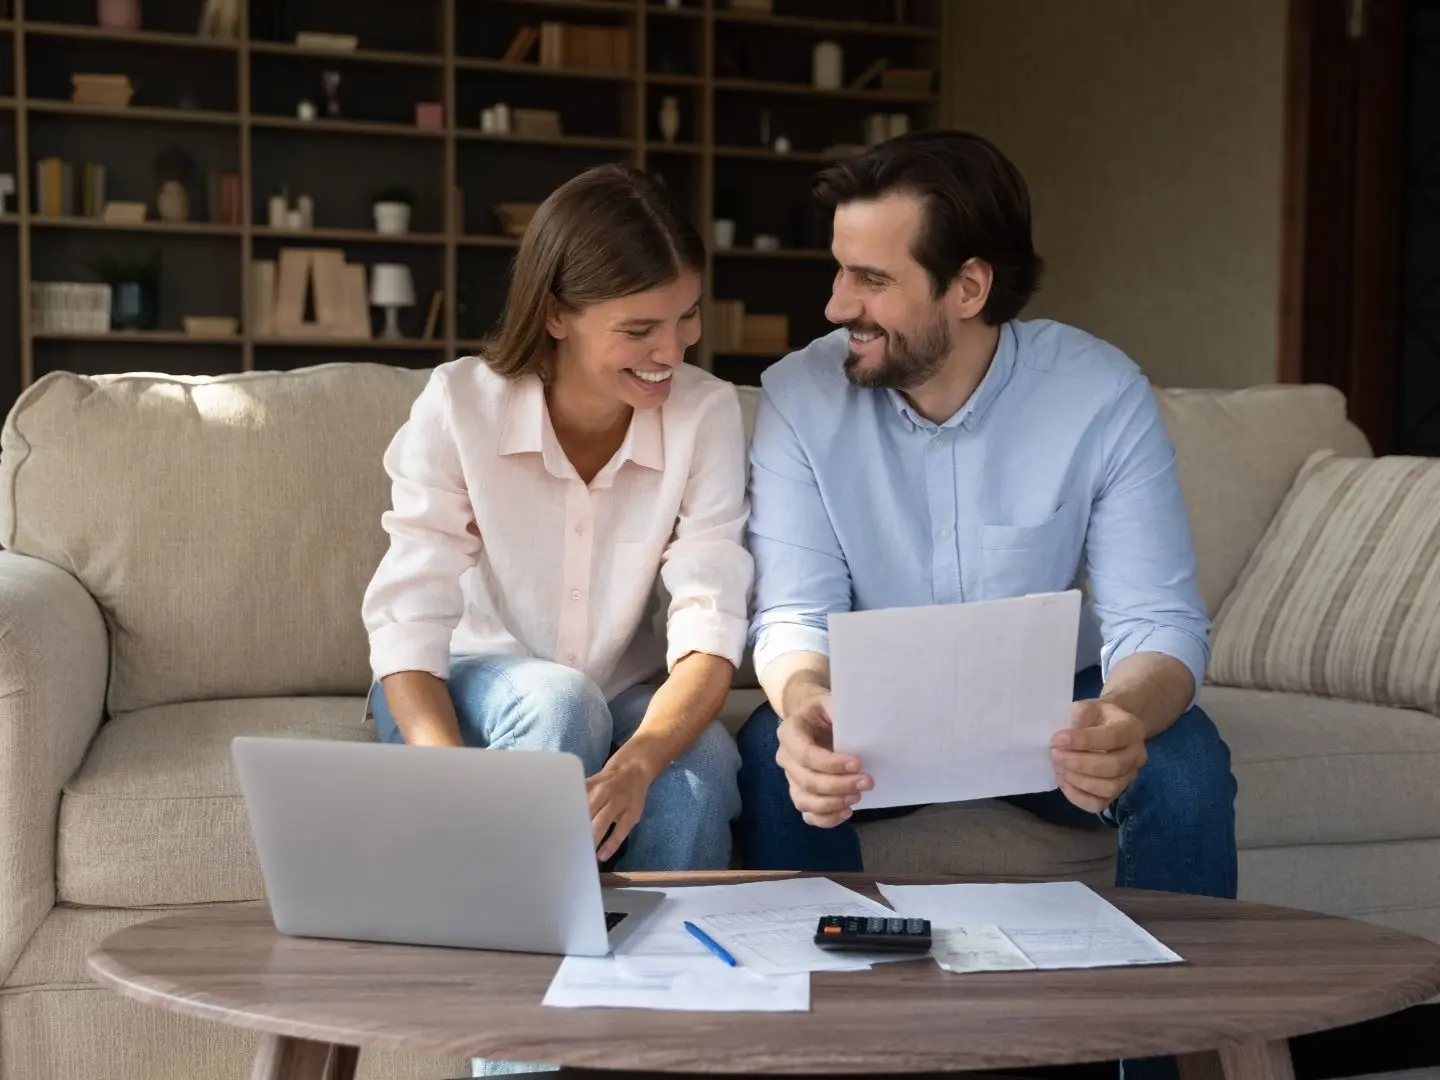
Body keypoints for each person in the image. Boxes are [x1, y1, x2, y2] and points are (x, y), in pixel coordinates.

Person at [735, 130, 1239, 900]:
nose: (838, 306)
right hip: (873, 716)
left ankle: (1186, 1016)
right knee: (773, 749)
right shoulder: (801, 398)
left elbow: (1159, 621)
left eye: (871, 279)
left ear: (969, 288)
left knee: (1188, 764)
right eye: (840, 271)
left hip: (1053, 718)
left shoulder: (1099, 395)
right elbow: (796, 613)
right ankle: (815, 1006)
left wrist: (1123, 717)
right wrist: (807, 702)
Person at [362, 163, 752, 875]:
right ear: (555, 314)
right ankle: (515, 960)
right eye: (639, 329)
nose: (673, 351)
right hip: (459, 684)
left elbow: (711, 615)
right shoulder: (459, 405)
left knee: (702, 761)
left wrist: (637, 765)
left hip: (621, 690)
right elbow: (407, 617)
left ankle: (673, 976)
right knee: (560, 702)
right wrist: (448, 781)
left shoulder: (707, 413)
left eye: (687, 316)